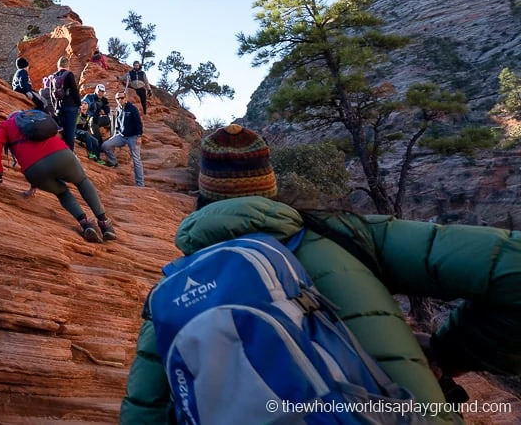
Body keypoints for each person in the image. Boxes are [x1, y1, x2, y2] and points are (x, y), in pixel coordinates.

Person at [120, 123, 521, 424]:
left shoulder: (174, 292)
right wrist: (449, 354)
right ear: (270, 187)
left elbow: (143, 413)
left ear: (202, 195)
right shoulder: (350, 234)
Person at [0, 111, 117, 243]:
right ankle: (105, 223)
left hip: (34, 170)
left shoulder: (5, 126)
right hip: (61, 155)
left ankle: (86, 224)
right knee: (82, 181)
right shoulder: (36, 116)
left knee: (62, 192)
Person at [102, 89, 144, 187]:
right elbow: (117, 123)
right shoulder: (118, 109)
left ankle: (140, 184)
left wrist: (139, 136)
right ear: (116, 100)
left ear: (126, 98)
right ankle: (113, 161)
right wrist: (115, 134)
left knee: (136, 159)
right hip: (121, 136)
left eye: (122, 97)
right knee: (105, 145)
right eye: (118, 98)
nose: (120, 99)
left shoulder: (132, 108)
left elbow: (138, 123)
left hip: (133, 137)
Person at [49, 56, 83, 152]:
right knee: (70, 133)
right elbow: (74, 90)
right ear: (68, 65)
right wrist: (79, 104)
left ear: (58, 65)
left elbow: (51, 94)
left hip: (59, 108)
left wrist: (55, 107)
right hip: (71, 107)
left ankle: (60, 154)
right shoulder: (69, 74)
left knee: (61, 133)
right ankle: (70, 155)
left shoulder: (53, 76)